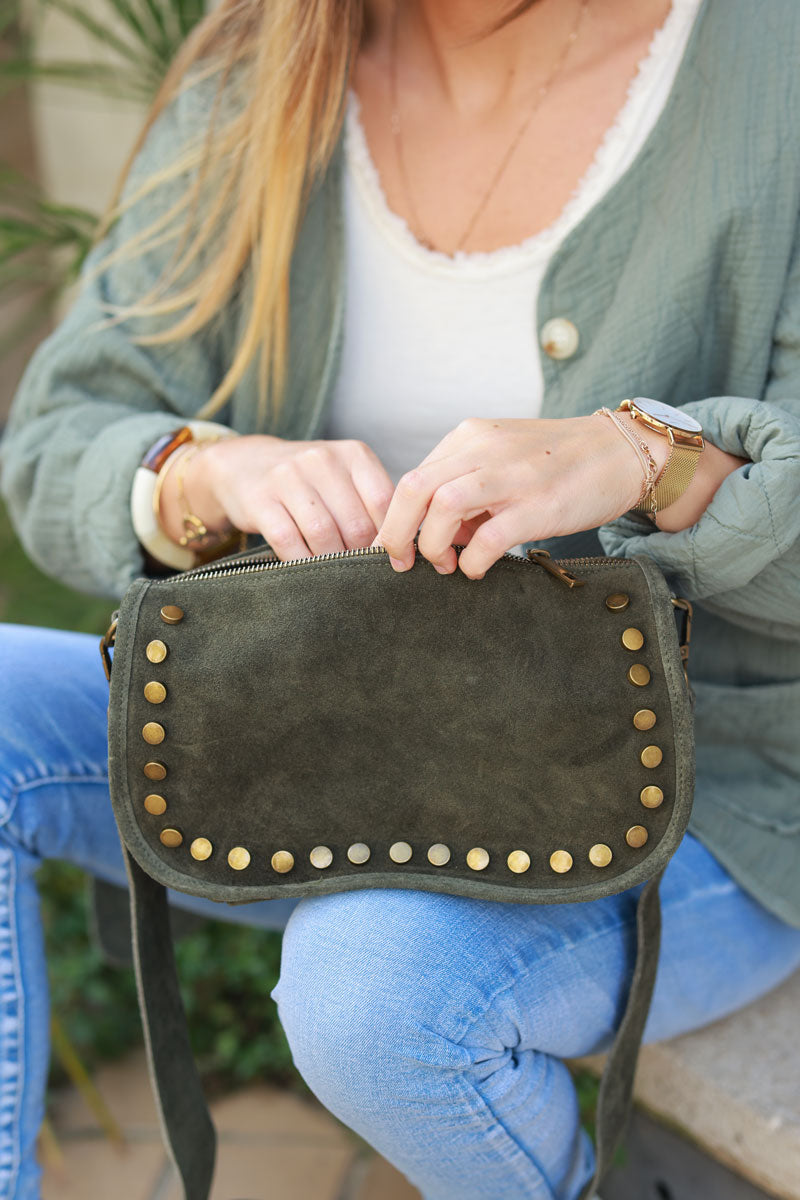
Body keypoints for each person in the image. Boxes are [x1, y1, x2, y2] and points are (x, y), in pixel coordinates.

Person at [2, 0, 800, 1196]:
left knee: (375, 996)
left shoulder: (769, 68)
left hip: (699, 778)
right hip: (311, 737)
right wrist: (209, 471)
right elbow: (59, 430)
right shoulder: (264, 59)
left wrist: (649, 457)